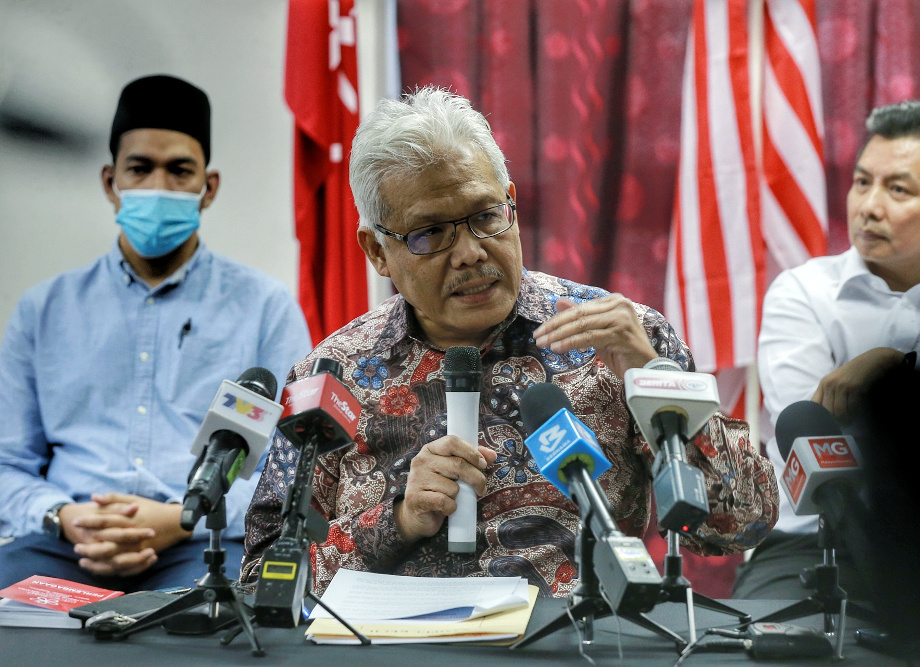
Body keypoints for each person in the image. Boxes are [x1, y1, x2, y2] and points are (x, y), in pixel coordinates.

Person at [241, 87, 778, 597]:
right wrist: (398, 520)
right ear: (377, 252)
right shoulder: (332, 373)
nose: (471, 252)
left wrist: (662, 386)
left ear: (511, 204)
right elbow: (263, 577)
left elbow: (742, 525)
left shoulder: (620, 338)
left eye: (486, 216)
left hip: (577, 642)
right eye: (430, 233)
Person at [0, 74, 311, 592]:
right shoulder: (43, 311)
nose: (158, 188)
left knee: (219, 625)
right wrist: (63, 515)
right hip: (65, 541)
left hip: (202, 546)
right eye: (140, 169)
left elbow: (290, 470)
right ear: (110, 182)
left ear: (207, 188)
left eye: (179, 171)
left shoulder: (265, 309)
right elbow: (7, 463)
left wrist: (181, 518)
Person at [733, 100, 920, 600]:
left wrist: (897, 367)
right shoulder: (803, 293)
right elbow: (808, 433)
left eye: (897, 189)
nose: (869, 206)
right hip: (815, 543)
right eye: (862, 182)